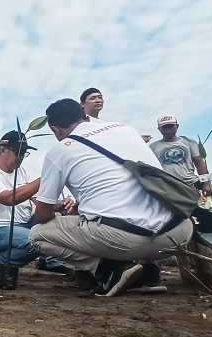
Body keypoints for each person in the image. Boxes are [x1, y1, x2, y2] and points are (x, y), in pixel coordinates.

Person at [28, 99, 193, 297]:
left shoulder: (60, 150)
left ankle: (110, 270)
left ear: (55, 129)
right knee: (140, 205)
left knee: (37, 234)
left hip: (127, 241)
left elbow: (42, 215)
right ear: (84, 116)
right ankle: (151, 274)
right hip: (178, 232)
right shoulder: (125, 129)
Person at [0, 131, 71, 290]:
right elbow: (9, 199)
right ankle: (2, 258)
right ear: (3, 150)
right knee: (38, 240)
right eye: (18, 152)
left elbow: (40, 200)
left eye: (24, 153)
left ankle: (49, 261)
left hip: (26, 225)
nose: (21, 157)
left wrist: (60, 205)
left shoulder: (25, 171)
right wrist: (45, 178)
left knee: (55, 217)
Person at [149, 115, 212, 195]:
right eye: (164, 127)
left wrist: (207, 183)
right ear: (159, 129)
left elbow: (199, 162)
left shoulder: (189, 143)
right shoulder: (153, 147)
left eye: (171, 126)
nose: (168, 129)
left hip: (189, 185)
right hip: (166, 187)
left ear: (177, 126)